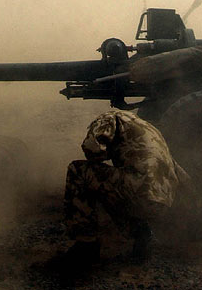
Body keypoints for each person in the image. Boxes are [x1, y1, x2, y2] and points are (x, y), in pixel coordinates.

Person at [62, 108, 192, 272]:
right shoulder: (151, 132)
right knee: (115, 188)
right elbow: (184, 177)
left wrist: (106, 155)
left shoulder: (110, 117)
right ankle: (141, 234)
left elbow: (92, 148)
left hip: (138, 190)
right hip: (162, 203)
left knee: (78, 170)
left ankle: (86, 244)